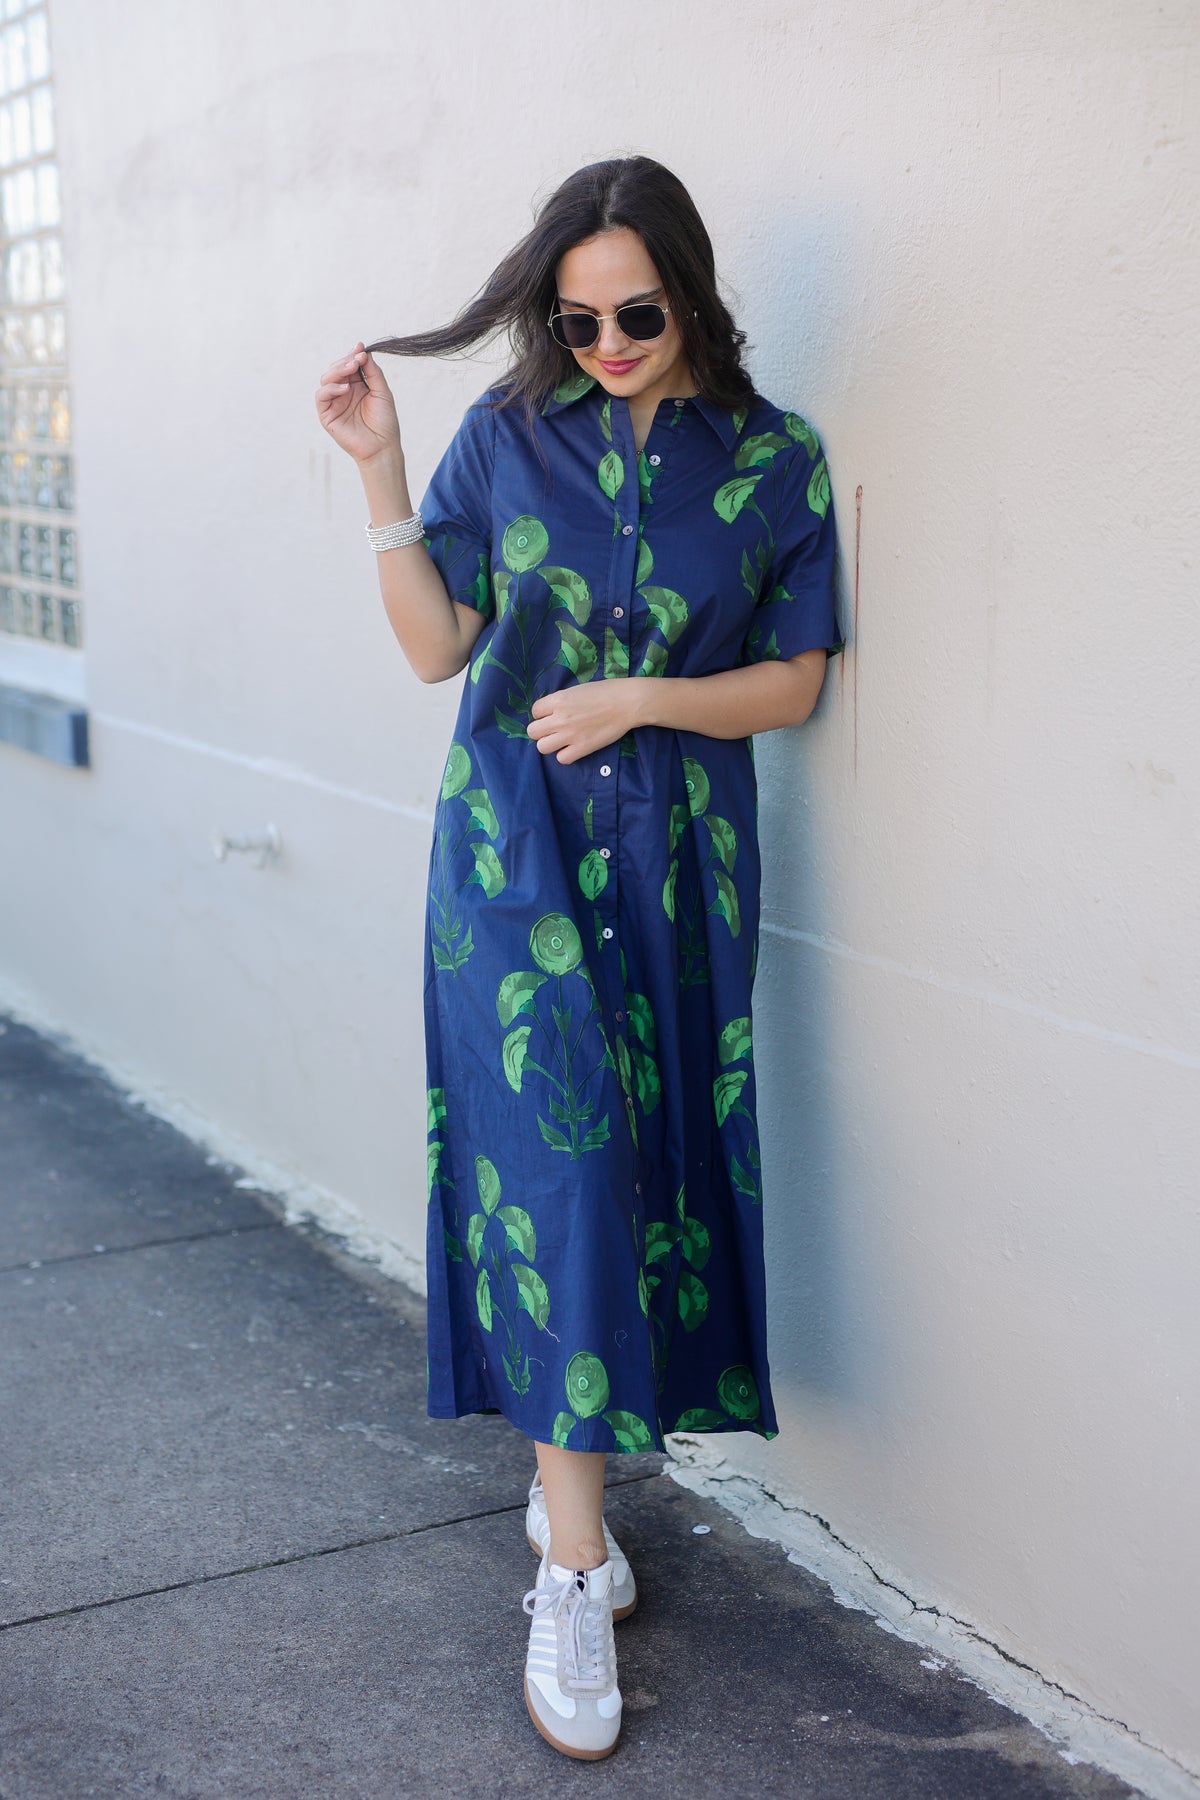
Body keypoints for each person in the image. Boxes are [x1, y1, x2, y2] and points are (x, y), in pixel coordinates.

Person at [315, 155, 843, 1761]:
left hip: (680, 872)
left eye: (636, 310)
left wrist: (643, 701)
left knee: (645, 1180)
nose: (606, 340)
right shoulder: (506, 440)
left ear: (689, 292)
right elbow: (432, 648)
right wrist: (381, 471)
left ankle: (588, 1535)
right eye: (575, 316)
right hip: (510, 871)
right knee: (556, 1179)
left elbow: (797, 679)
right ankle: (565, 1565)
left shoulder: (769, 462)